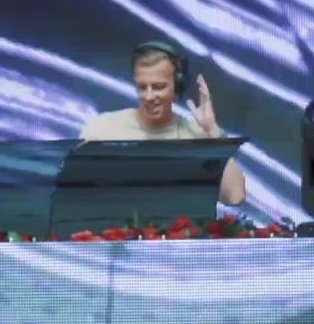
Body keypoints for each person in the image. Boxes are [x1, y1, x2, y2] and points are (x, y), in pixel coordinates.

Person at [79, 42, 247, 205]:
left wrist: (212, 130)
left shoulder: (197, 136)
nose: (149, 96)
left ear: (177, 86)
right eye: (142, 87)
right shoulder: (101, 129)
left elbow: (235, 196)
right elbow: (77, 196)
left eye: (158, 87)